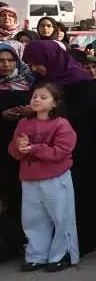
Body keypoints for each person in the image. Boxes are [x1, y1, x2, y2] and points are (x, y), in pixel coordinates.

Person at [22, 41, 96, 256]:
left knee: (82, 196)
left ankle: (82, 240)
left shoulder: (84, 86)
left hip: (82, 152)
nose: (34, 69)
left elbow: (95, 121)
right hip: (47, 154)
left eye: (37, 64)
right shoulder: (43, 84)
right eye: (31, 65)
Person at [9, 84, 78, 272]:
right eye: (34, 96)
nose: (37, 100)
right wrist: (19, 147)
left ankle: (62, 255)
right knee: (33, 219)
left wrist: (33, 148)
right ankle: (36, 255)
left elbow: (62, 151)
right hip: (30, 178)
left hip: (55, 178)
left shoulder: (61, 124)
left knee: (61, 216)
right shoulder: (24, 123)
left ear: (55, 103)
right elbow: (14, 150)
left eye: (43, 97)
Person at [0, 42, 34, 262]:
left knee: (19, 194)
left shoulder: (28, 84)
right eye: (1, 61)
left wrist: (29, 111)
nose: (5, 65)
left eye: (10, 60)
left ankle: (19, 242)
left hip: (22, 147)